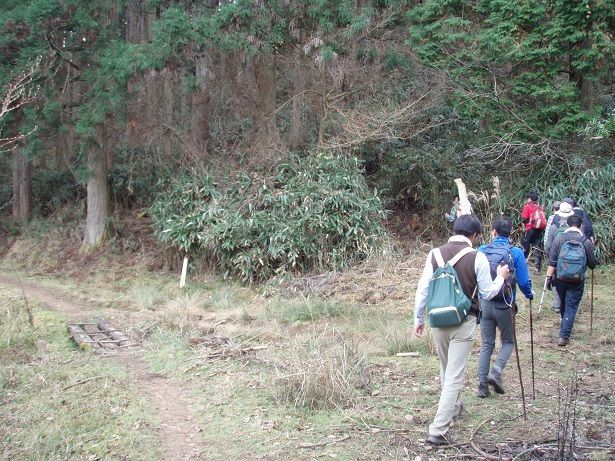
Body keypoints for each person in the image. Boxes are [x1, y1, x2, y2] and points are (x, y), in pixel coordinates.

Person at [413, 214, 510, 446]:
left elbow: (423, 288)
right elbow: (487, 293)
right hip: (464, 321)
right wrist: (501, 277)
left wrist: (418, 318)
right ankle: (438, 431)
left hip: (437, 319)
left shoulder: (434, 254)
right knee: (454, 376)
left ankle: (455, 409)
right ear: (474, 235)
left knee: (447, 370)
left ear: (454, 229)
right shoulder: (477, 257)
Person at [476, 217, 533, 398]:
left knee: (487, 344)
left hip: (485, 304)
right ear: (510, 234)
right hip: (505, 305)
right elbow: (523, 282)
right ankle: (497, 371)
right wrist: (529, 294)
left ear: (493, 232)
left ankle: (482, 387)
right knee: (508, 341)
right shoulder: (515, 252)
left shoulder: (482, 250)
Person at [546, 215, 598, 346]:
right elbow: (592, 264)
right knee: (571, 305)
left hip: (560, 278)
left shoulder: (559, 239)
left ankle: (565, 327)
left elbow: (552, 261)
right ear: (580, 226)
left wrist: (548, 278)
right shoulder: (585, 241)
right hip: (577, 280)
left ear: (568, 225)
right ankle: (564, 334)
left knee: (563, 303)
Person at [543, 201, 563, 313]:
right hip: (569, 258)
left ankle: (556, 304)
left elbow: (547, 237)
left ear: (553, 208)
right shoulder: (573, 219)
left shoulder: (552, 219)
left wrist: (548, 252)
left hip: (555, 254)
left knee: (555, 278)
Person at [520, 191, 545, 272]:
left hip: (530, 229)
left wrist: (524, 225)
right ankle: (538, 268)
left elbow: (524, 219)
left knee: (525, 247)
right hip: (539, 230)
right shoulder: (539, 207)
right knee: (537, 248)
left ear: (530, 199)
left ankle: (523, 265)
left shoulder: (527, 207)